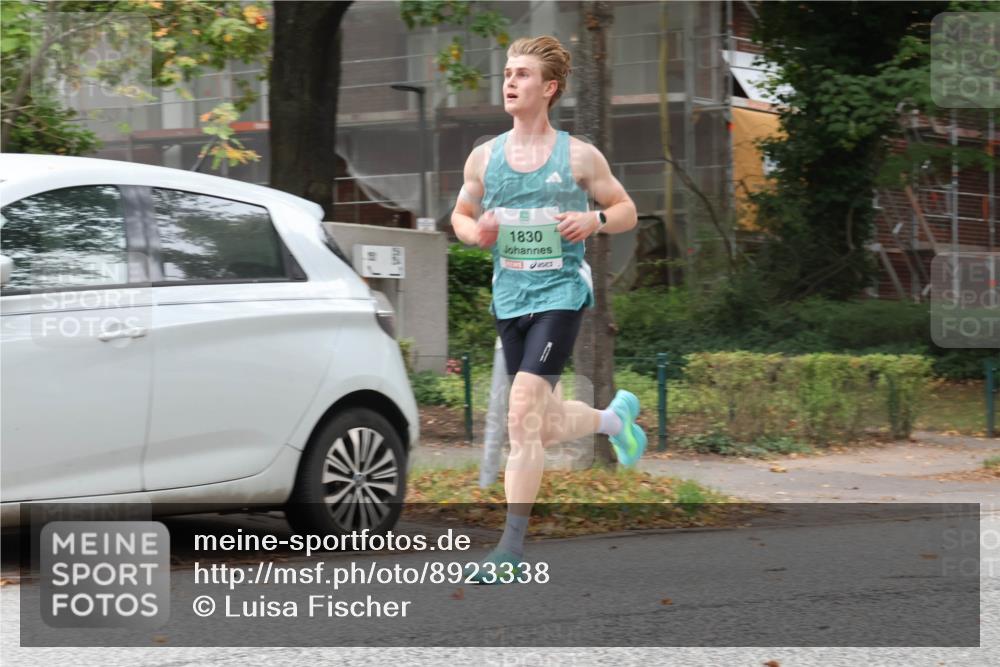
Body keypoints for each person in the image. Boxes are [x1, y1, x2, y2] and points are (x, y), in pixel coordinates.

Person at [450, 35, 647, 584]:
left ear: (549, 87)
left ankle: (509, 551)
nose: (510, 82)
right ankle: (613, 419)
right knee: (544, 423)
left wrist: (595, 222)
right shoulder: (484, 158)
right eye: (507, 73)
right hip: (509, 298)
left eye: (522, 74)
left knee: (520, 416)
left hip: (560, 295)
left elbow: (626, 209)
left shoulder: (578, 156)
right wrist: (477, 233)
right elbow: (461, 217)